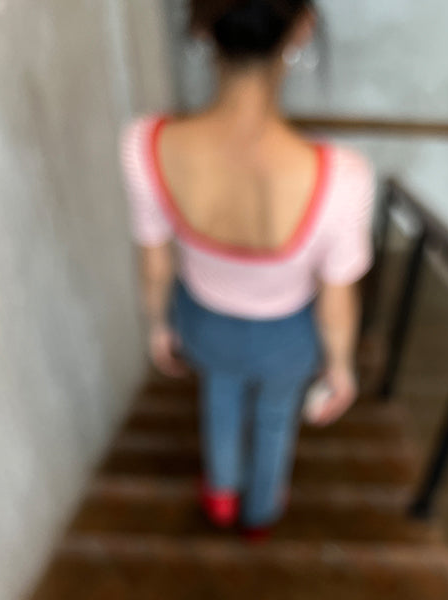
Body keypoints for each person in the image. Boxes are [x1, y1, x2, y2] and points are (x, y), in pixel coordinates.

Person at [120, 0, 375, 539]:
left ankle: (220, 493)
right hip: (286, 336)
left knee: (219, 395)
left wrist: (158, 326)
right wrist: (341, 368)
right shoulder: (343, 179)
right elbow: (335, 301)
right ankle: (259, 511)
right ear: (303, 29)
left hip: (203, 320)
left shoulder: (146, 144)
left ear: (198, 25)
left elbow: (154, 260)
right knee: (276, 417)